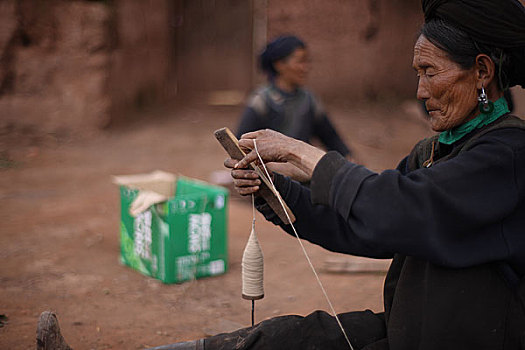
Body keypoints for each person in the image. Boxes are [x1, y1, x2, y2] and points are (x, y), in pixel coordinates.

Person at [37, 0, 525, 349]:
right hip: (410, 328)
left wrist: (299, 152)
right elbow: (369, 227)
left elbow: (400, 206)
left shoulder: (509, 153)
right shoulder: (431, 152)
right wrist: (275, 192)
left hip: (466, 336)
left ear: (481, 72)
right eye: (416, 74)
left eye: (430, 72)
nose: (419, 91)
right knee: (278, 338)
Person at [236, 35, 354, 182]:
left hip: (304, 175)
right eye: (300, 61)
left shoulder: (309, 100)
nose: (306, 67)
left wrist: (349, 161)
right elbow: (240, 144)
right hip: (274, 178)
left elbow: (330, 136)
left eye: (307, 61)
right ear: (279, 64)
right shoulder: (262, 101)